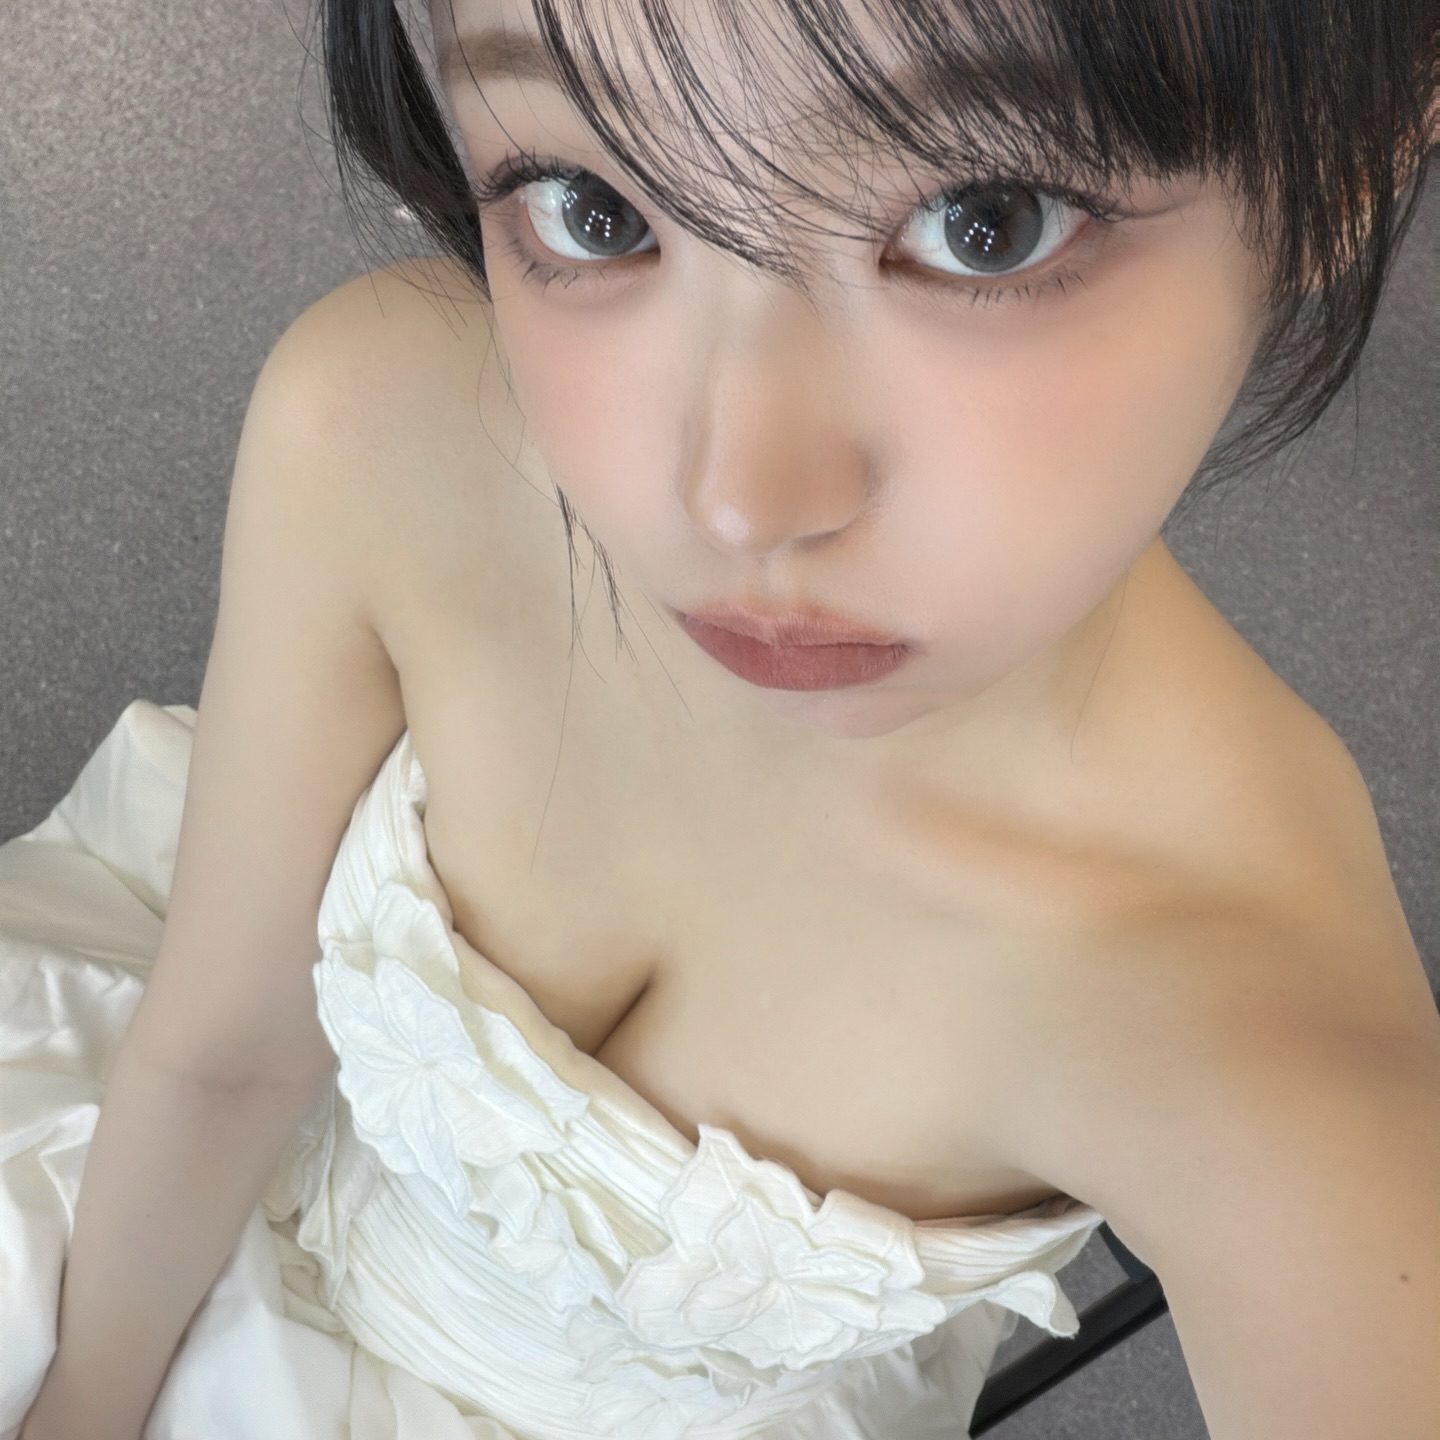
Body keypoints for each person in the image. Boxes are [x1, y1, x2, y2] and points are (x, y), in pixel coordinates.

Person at [4, 0, 1437, 1436]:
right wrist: (82, 1397)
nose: (738, 501)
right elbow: (223, 1052)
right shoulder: (391, 418)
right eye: (595, 208)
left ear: (1363, 153)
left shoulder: (1262, 1034)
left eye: (984, 224)